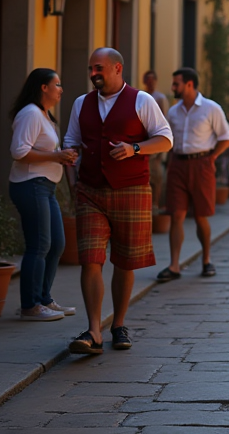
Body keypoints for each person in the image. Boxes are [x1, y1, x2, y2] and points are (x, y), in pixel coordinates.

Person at [63, 48, 172, 355]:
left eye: (98, 68)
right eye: (90, 68)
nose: (93, 73)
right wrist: (71, 165)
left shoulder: (142, 100)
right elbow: (71, 142)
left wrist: (134, 148)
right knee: (90, 258)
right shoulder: (80, 103)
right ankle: (93, 329)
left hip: (132, 190)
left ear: (117, 68)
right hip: (90, 191)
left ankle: (119, 324)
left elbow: (165, 139)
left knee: (125, 261)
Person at [9, 68, 79, 322]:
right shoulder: (30, 113)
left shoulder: (44, 115)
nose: (61, 89)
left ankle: (44, 298)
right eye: (57, 84)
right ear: (43, 87)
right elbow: (19, 151)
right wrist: (56, 156)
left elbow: (46, 149)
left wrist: (63, 155)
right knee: (39, 245)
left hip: (45, 185)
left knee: (57, 244)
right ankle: (30, 305)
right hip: (30, 184)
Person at [156, 68, 229, 282]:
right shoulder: (173, 112)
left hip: (202, 164)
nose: (173, 88)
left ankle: (207, 259)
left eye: (176, 84)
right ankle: (174, 265)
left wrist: (212, 157)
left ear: (189, 84)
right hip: (178, 164)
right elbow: (167, 138)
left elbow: (226, 137)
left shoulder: (211, 109)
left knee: (201, 216)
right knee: (176, 215)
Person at [143, 70, 170, 211]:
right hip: (144, 143)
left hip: (156, 144)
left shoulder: (160, 98)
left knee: (157, 177)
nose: (150, 82)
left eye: (152, 79)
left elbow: (165, 123)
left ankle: (157, 204)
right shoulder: (141, 96)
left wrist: (161, 154)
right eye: (148, 79)